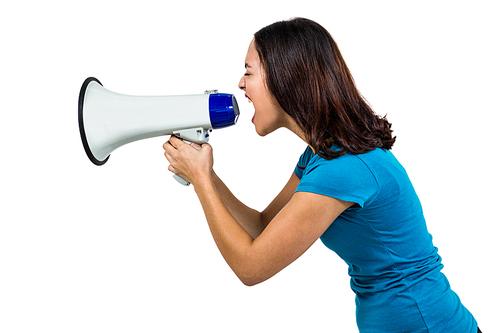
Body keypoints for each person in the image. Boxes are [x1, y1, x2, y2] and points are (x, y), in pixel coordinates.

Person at [163, 18, 480, 333]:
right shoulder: (324, 153)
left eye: (248, 71)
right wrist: (207, 174)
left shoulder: (343, 168)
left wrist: (202, 181)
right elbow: (263, 226)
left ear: (286, 78)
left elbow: (251, 267)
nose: (240, 84)